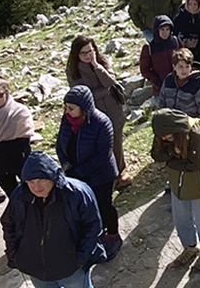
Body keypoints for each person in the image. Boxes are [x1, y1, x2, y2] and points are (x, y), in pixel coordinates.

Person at [3, 152, 105, 288]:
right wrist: (15, 254)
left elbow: (92, 227)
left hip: (71, 264)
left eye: (41, 180)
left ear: (53, 177)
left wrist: (80, 258)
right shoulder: (20, 195)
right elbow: (9, 224)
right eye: (30, 181)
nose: (36, 187)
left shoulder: (76, 192)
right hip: (36, 265)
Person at [151, 109, 200, 271]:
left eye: (165, 135)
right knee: (181, 219)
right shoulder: (163, 132)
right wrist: (171, 152)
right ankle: (189, 247)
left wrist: (170, 161)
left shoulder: (195, 134)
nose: (162, 138)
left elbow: (193, 164)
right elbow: (156, 155)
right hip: (178, 184)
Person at [57, 86, 120, 257]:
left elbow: (103, 156)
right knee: (85, 209)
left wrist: (78, 172)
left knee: (104, 206)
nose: (67, 111)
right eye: (66, 107)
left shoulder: (102, 123)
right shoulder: (67, 120)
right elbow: (60, 144)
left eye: (71, 108)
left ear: (83, 108)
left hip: (100, 176)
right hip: (76, 174)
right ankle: (94, 235)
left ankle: (113, 235)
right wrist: (66, 166)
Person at [66, 37, 128, 184]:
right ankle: (108, 175)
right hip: (94, 113)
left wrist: (96, 66)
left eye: (91, 51)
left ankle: (121, 171)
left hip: (114, 108)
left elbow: (110, 82)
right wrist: (103, 91)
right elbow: (82, 94)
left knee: (117, 142)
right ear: (76, 54)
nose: (88, 55)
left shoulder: (103, 61)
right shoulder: (72, 71)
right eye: (84, 53)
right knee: (102, 145)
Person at [158, 48, 200, 124]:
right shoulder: (169, 80)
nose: (184, 70)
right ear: (174, 66)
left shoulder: (199, 86)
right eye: (180, 67)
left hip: (191, 125)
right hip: (171, 123)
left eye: (187, 67)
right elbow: (162, 102)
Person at [140, 15, 180, 101]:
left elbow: (186, 58)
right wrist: (156, 81)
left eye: (167, 29)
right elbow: (145, 69)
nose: (165, 32)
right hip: (161, 89)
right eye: (162, 30)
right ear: (156, 30)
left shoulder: (176, 42)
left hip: (180, 86)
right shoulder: (149, 48)